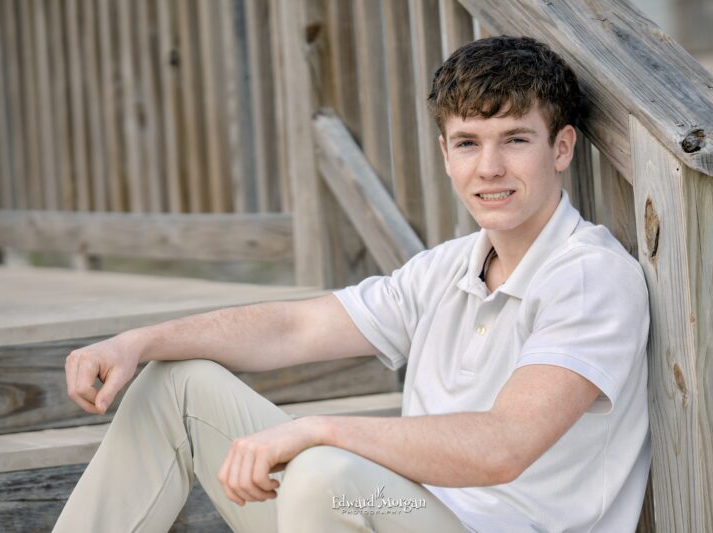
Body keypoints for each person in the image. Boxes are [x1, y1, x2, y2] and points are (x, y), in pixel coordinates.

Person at [55, 36, 650, 532]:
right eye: (469, 143)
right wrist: (135, 341)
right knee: (177, 383)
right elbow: (292, 327)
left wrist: (318, 431)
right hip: (394, 510)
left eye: (515, 139)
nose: (489, 168)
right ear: (446, 155)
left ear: (561, 147)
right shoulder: (446, 268)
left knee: (328, 474)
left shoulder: (590, 276)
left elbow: (504, 445)